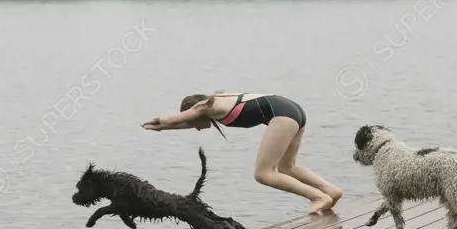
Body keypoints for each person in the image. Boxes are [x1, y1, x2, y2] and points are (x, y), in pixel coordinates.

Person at [141, 92, 343, 214]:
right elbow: (182, 123)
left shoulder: (208, 106)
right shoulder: (216, 103)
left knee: (263, 174)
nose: (195, 128)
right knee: (286, 167)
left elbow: (174, 119)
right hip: (292, 109)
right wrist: (163, 129)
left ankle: (317, 197)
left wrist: (159, 121)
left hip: (282, 115)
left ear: (194, 110)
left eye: (193, 122)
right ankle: (330, 191)